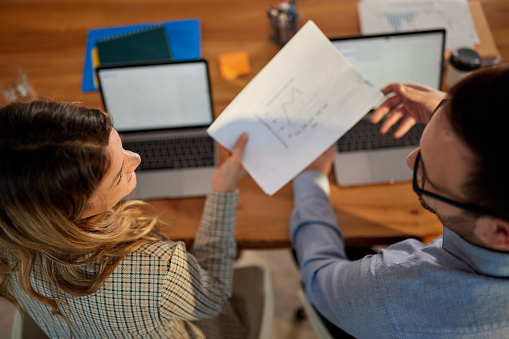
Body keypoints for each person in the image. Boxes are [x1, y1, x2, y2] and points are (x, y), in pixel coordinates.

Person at [290, 65, 509, 338]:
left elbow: (320, 279)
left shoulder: (391, 291)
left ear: (501, 233)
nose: (409, 161)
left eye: (427, 174)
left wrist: (310, 179)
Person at [0, 99, 249, 338]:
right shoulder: (158, 268)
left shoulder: (8, 239)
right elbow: (213, 299)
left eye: (120, 143)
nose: (137, 159)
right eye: (119, 174)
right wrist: (223, 190)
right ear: (81, 208)